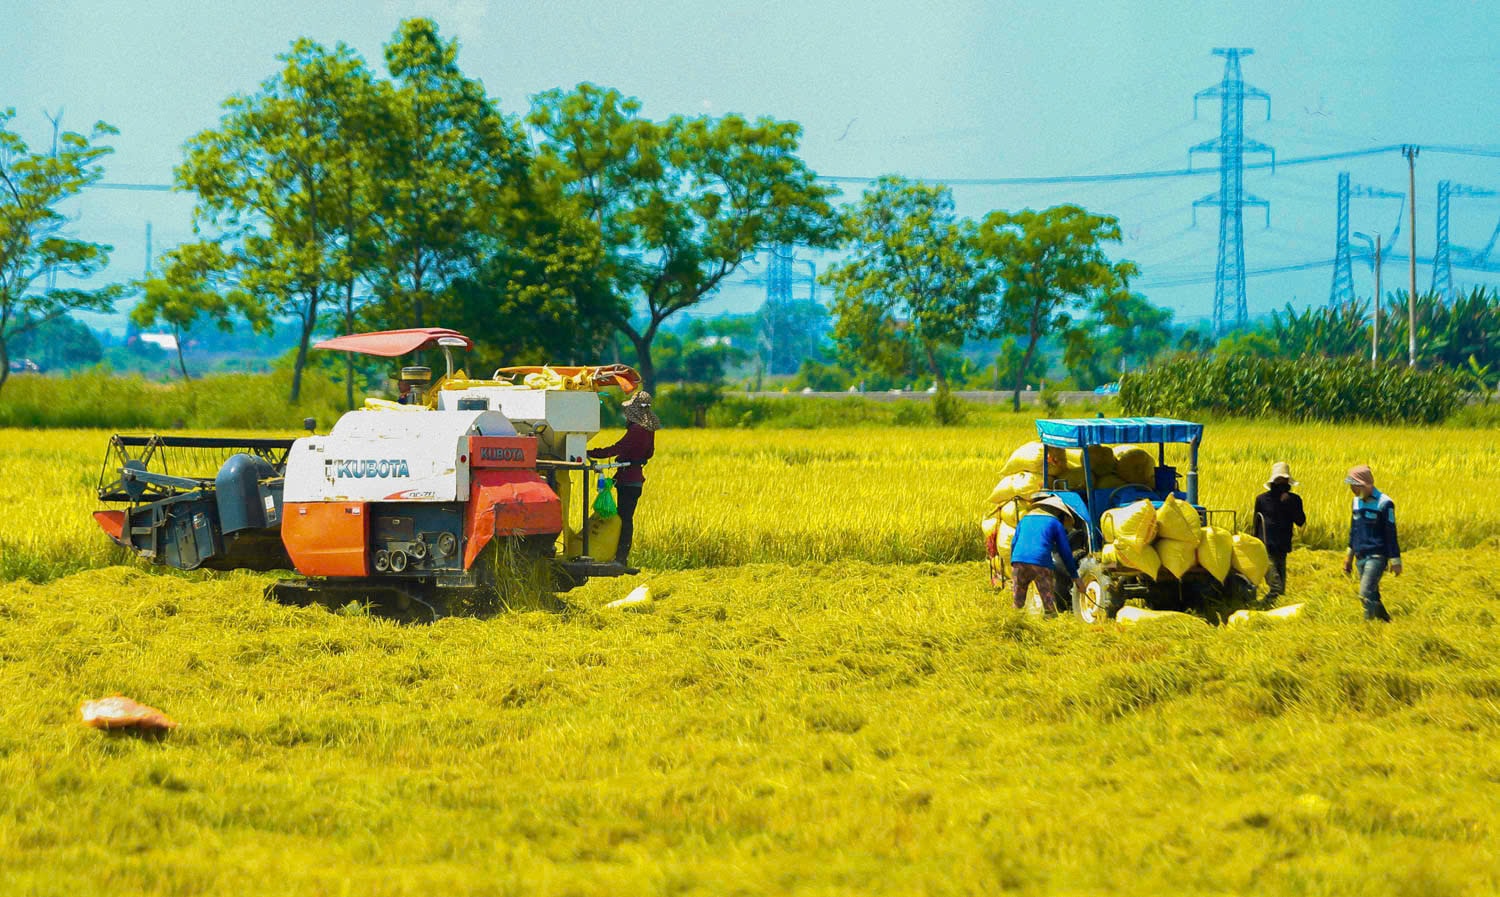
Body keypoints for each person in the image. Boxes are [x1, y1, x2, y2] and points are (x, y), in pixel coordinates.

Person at [587, 390, 659, 568]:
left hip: (627, 479)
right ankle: (620, 556)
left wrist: (590, 452)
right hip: (636, 479)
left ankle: (619, 557)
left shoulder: (637, 429)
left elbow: (618, 448)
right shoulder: (649, 429)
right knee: (626, 518)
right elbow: (649, 453)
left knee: (623, 519)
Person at [1008, 493, 1082, 618]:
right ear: (1059, 513)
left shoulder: (1024, 520)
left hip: (1018, 562)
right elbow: (1065, 552)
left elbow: (1013, 543)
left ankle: (1012, 626)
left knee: (1017, 602)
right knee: (1049, 604)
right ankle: (1051, 624)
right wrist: (1075, 577)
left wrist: (1013, 563)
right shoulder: (1055, 523)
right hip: (1040, 564)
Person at [1342, 464, 1399, 622]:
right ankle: (1385, 620)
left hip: (1377, 556)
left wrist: (1395, 561)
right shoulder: (1355, 502)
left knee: (1365, 593)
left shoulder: (1384, 503)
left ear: (1366, 484)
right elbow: (1354, 530)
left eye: (1356, 486)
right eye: (1351, 486)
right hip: (1360, 556)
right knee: (1372, 594)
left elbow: (1390, 533)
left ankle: (1368, 627)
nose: (1353, 490)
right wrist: (1349, 556)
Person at [1253, 461, 1306, 602]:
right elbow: (1256, 522)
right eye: (1279, 480)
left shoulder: (1295, 500)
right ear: (1273, 481)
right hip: (1265, 545)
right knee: (1275, 584)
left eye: (1284, 480)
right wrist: (1255, 544)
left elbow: (1300, 521)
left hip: (1282, 545)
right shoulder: (1262, 499)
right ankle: (1267, 605)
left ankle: (1275, 608)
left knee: (1281, 589)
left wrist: (1289, 504)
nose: (1282, 484)